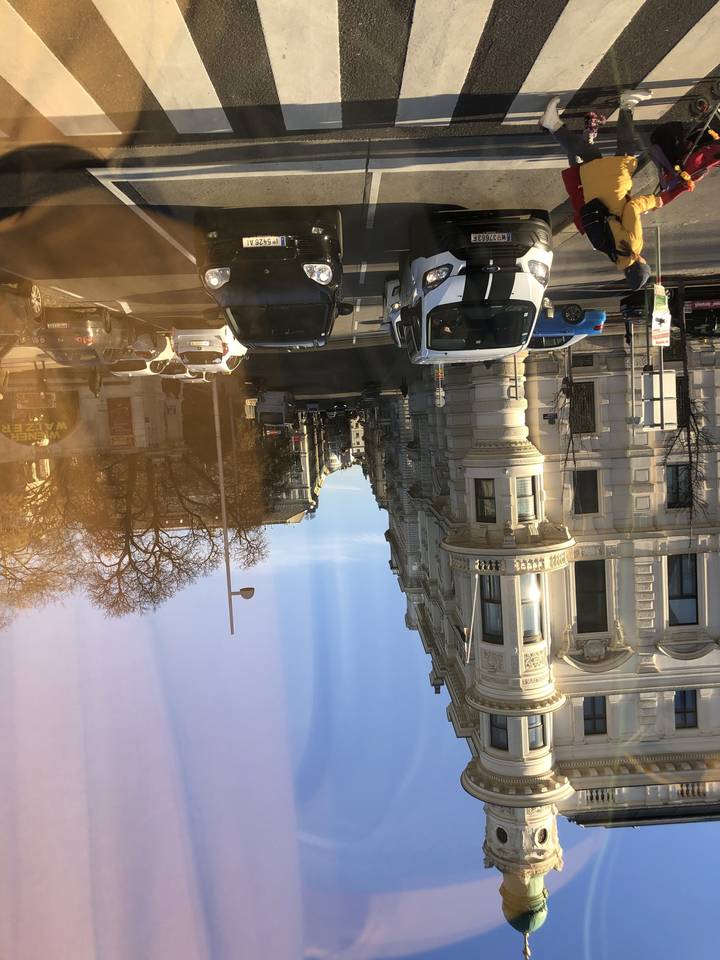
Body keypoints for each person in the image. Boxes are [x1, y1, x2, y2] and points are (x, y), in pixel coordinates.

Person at [540, 89, 661, 290]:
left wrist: (655, 201)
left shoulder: (633, 247)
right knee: (590, 154)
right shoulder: (612, 253)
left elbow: (632, 207)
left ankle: (627, 104)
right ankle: (553, 124)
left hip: (614, 187)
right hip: (593, 191)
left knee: (625, 148)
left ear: (640, 264)